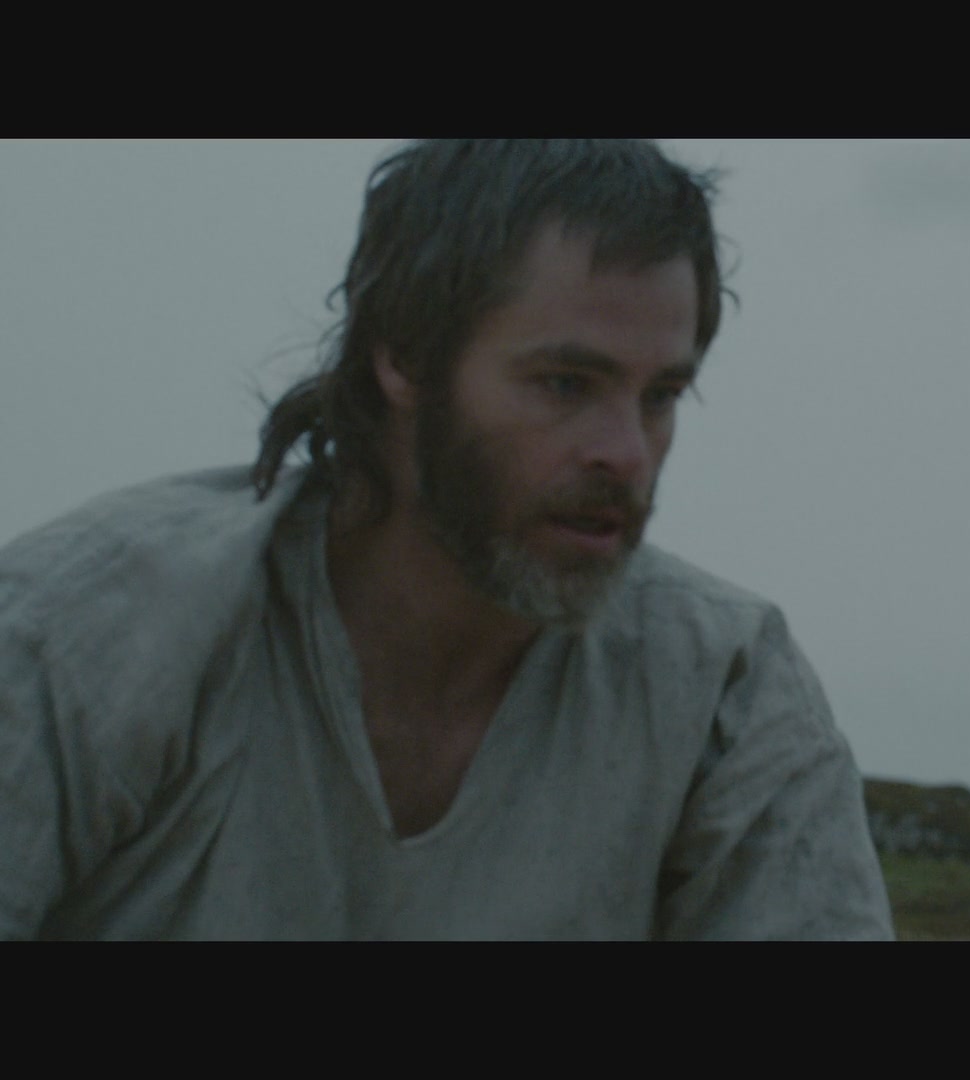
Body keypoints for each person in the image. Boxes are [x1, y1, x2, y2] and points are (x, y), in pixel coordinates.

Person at [0, 139, 894, 940]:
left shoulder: (725, 693)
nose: (627, 453)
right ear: (406, 356)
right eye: (566, 383)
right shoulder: (88, 638)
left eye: (659, 396)